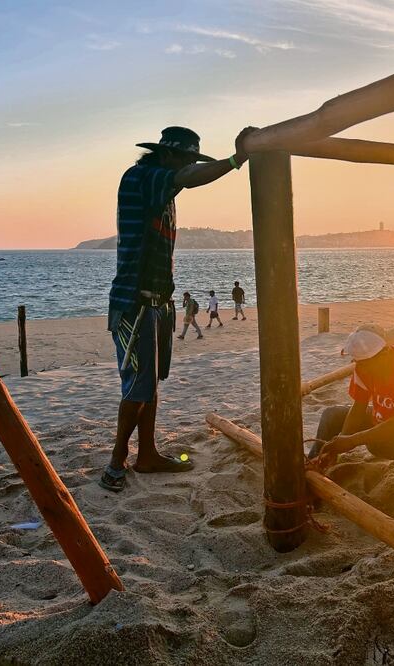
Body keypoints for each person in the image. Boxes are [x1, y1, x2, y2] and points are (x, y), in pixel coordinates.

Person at [100, 125, 255, 492]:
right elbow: (189, 176)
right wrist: (237, 159)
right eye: (185, 160)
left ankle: (147, 454)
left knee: (150, 385)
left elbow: (185, 177)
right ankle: (116, 463)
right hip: (134, 302)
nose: (187, 168)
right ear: (168, 157)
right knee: (137, 387)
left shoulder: (163, 188)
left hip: (157, 302)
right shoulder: (144, 177)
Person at [308, 324, 394, 483]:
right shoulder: (364, 366)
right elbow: (358, 408)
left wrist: (353, 440)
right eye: (357, 362)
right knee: (331, 416)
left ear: (385, 353)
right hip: (385, 414)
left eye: (365, 363)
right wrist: (341, 441)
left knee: (376, 446)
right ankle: (315, 463)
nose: (361, 368)